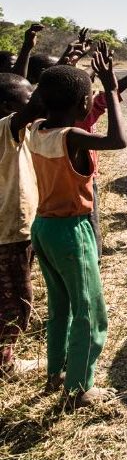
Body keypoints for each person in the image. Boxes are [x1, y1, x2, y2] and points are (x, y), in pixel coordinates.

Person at [27, 51, 126, 408]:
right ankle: (80, 388)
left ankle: (56, 373)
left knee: (60, 305)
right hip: (72, 231)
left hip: (43, 228)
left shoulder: (37, 129)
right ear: (85, 102)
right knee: (89, 310)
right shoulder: (72, 137)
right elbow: (118, 140)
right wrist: (112, 91)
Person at [76, 42, 127, 263]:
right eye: (91, 92)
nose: (95, 94)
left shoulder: (43, 122)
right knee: (91, 227)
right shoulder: (83, 119)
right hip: (87, 183)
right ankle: (94, 265)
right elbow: (114, 94)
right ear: (83, 102)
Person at [0, 74, 43, 379]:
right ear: (7, 107)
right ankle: (5, 364)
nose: (36, 101)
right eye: (28, 98)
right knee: (15, 305)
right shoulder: (7, 129)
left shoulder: (14, 131)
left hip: (14, 231)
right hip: (10, 236)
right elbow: (38, 105)